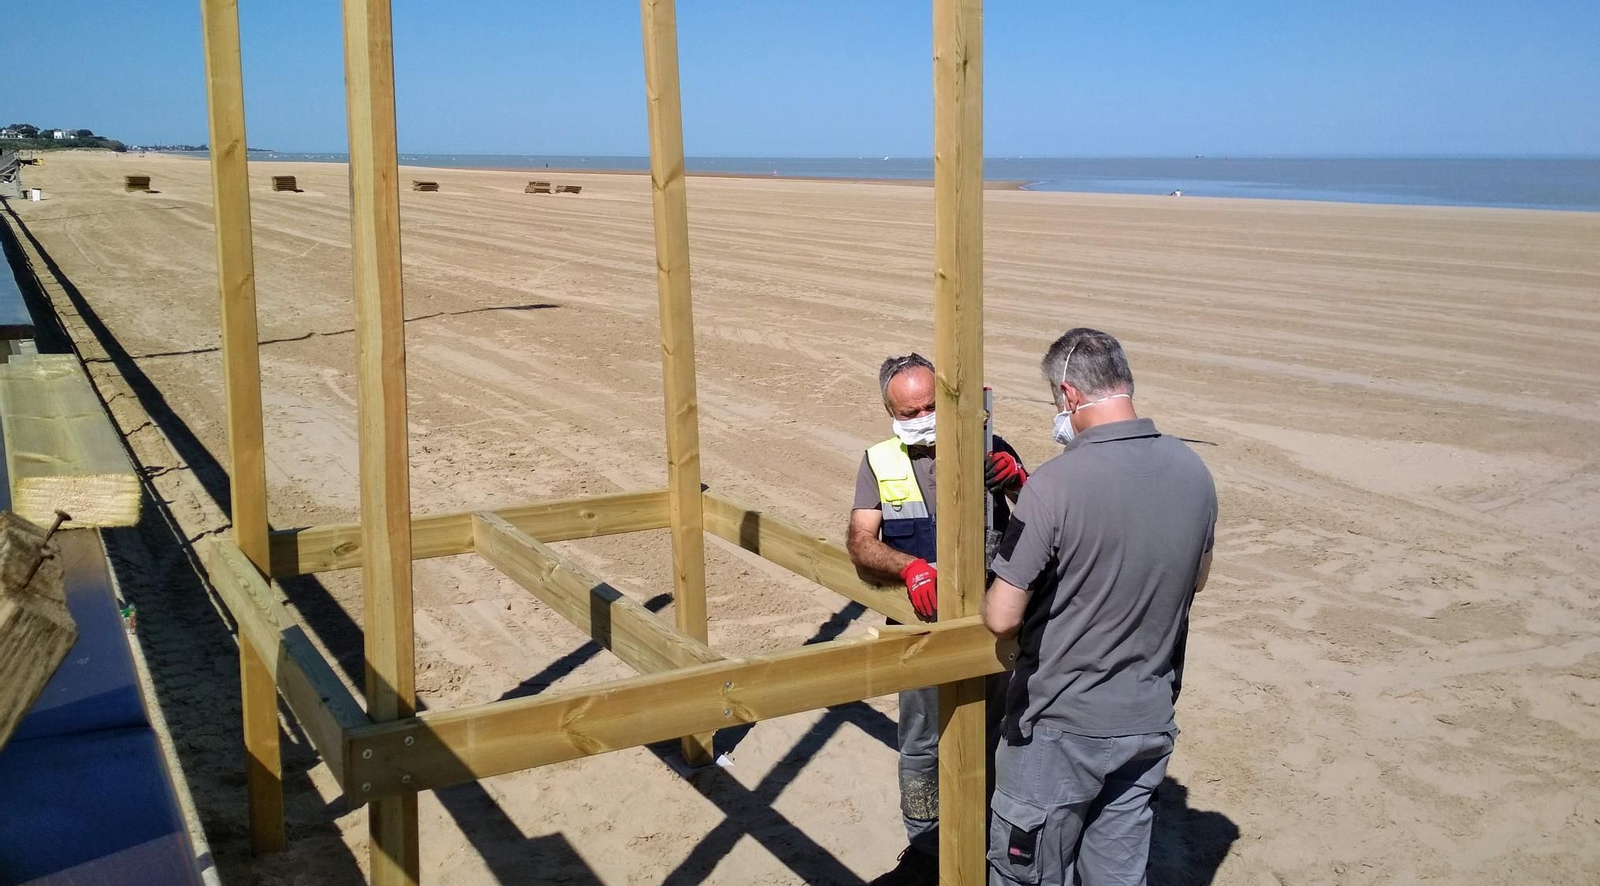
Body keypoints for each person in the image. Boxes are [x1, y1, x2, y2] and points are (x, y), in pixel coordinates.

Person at [981, 328, 1216, 886]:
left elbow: (1002, 616)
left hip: (1059, 726)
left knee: (1028, 871)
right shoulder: (1194, 472)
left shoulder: (1053, 485)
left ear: (1069, 394)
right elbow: (1198, 580)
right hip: (1148, 718)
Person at [847, 353, 1028, 885]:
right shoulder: (880, 461)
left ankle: (991, 838)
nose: (923, 418)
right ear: (890, 412)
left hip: (995, 629)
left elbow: (1043, 522)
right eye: (909, 412)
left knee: (1002, 734)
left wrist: (1018, 482)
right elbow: (860, 542)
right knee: (923, 742)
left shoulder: (988, 446)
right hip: (922, 634)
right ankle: (927, 848)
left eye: (931, 407)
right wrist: (909, 568)